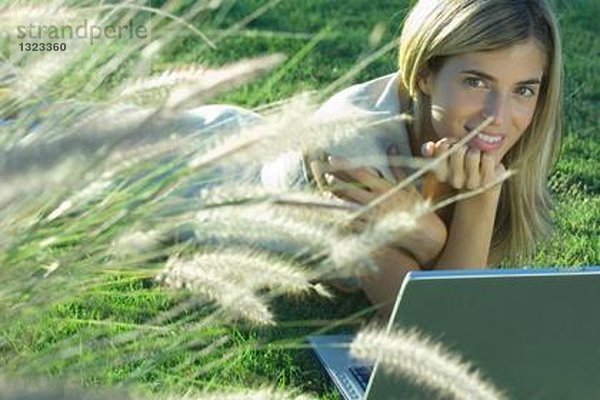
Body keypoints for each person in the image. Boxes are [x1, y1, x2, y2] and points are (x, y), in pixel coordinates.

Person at [261, 0, 563, 317]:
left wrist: (429, 235)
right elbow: (436, 321)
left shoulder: (500, 139)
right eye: (476, 82)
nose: (498, 116)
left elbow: (451, 291)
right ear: (424, 74)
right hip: (219, 175)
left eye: (523, 90)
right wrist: (461, 215)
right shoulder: (352, 150)